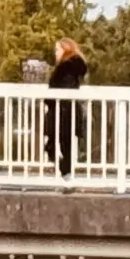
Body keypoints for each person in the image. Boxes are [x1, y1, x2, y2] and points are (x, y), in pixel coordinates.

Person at [44, 36, 88, 176]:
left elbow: (64, 89)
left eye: (58, 50)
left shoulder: (66, 68)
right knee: (64, 145)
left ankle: (65, 171)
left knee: (58, 145)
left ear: (66, 50)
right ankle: (65, 172)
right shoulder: (71, 68)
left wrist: (51, 99)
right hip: (65, 110)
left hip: (63, 111)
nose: (55, 53)